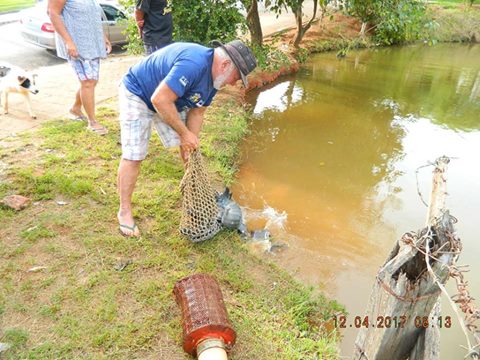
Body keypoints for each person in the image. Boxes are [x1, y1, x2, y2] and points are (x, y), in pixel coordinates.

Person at [116, 40, 257, 237]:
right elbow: (159, 99)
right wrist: (184, 133)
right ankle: (124, 212)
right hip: (139, 93)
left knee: (189, 150)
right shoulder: (194, 64)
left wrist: (190, 141)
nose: (234, 82)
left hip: (169, 99)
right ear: (225, 65)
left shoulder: (215, 79)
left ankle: (195, 197)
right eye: (236, 76)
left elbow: (197, 113)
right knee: (134, 155)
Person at [48, 0, 111, 135]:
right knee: (87, 81)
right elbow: (53, 13)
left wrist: (103, 36)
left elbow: (91, 16)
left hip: (92, 42)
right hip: (76, 44)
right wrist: (69, 42)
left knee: (91, 81)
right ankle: (92, 122)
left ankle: (75, 108)